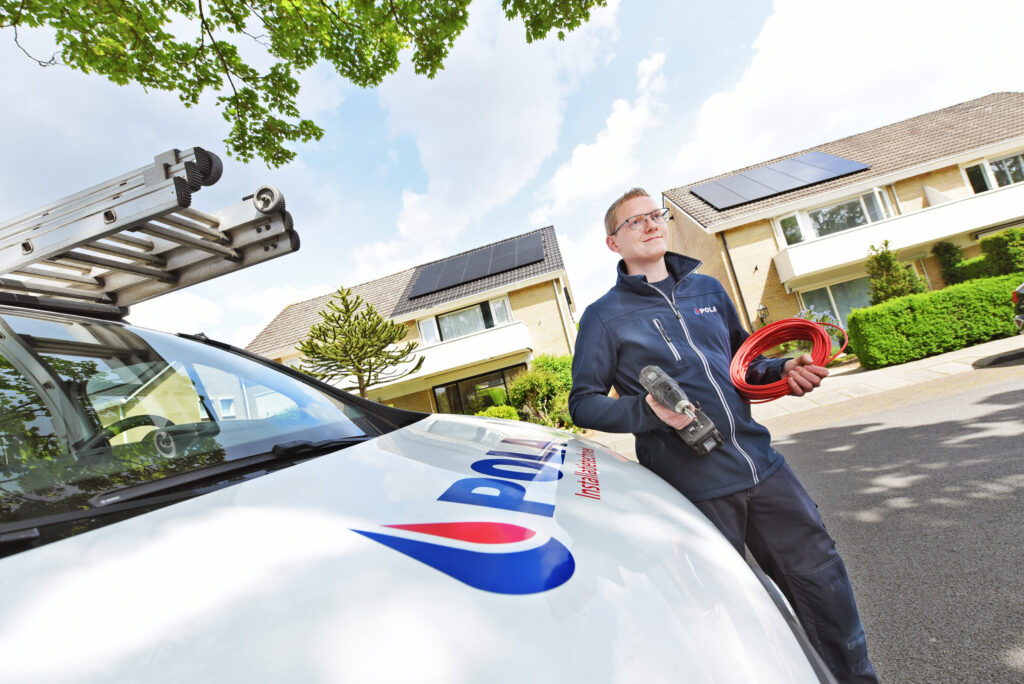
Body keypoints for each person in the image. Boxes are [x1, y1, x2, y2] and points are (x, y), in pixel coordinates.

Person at [568, 187, 879, 684]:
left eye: (657, 215)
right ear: (613, 244)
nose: (651, 225)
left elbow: (743, 364)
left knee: (824, 586)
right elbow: (582, 402)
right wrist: (648, 412)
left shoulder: (709, 291)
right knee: (725, 616)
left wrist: (784, 370)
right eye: (635, 222)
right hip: (695, 490)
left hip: (764, 467)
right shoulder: (603, 317)